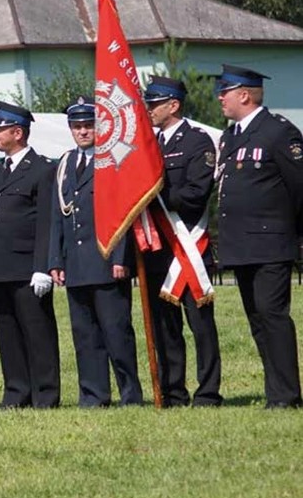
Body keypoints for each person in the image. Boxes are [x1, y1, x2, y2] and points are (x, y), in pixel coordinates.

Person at [215, 64, 303, 409]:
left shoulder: (279, 132)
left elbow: (299, 187)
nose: (220, 98)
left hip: (270, 241)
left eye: (225, 92)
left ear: (244, 95)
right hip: (242, 243)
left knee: (272, 315)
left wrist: (287, 229)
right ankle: (275, 391)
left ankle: (287, 395)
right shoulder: (231, 136)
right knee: (257, 320)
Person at [48, 97, 143, 407]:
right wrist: (55, 261)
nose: (83, 131)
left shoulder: (111, 161)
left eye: (88, 125)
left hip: (105, 261)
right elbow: (57, 218)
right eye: (77, 126)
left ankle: (130, 395)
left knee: (117, 333)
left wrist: (120, 259)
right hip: (75, 264)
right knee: (85, 336)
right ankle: (93, 395)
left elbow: (123, 215)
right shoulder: (64, 164)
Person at [143, 76, 222, 408]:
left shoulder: (197, 141)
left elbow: (195, 194)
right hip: (158, 249)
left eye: (154, 104)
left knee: (200, 325)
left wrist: (158, 195)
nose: (148, 110)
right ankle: (173, 391)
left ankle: (207, 392)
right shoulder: (149, 144)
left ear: (172, 105)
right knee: (165, 326)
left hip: (189, 244)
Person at [0, 101, 59, 409]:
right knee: (7, 333)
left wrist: (43, 267)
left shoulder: (42, 169)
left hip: (26, 267)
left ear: (18, 132)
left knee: (38, 333)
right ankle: (16, 392)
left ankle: (45, 394)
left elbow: (47, 223)